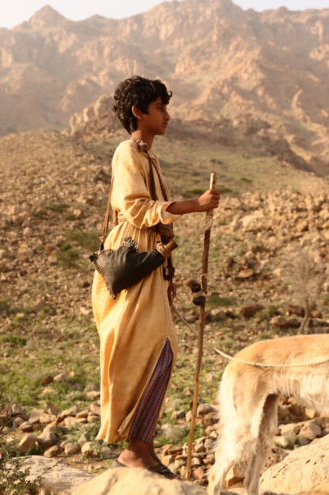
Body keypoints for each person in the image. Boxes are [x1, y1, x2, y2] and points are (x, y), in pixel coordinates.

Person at [91, 76, 219, 479]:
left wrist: (166, 274)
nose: (167, 115)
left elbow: (156, 221)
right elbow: (137, 209)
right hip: (133, 261)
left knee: (160, 352)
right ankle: (136, 450)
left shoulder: (149, 157)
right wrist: (195, 205)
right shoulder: (127, 151)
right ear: (138, 112)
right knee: (150, 353)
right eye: (160, 108)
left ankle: (140, 447)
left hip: (150, 266)